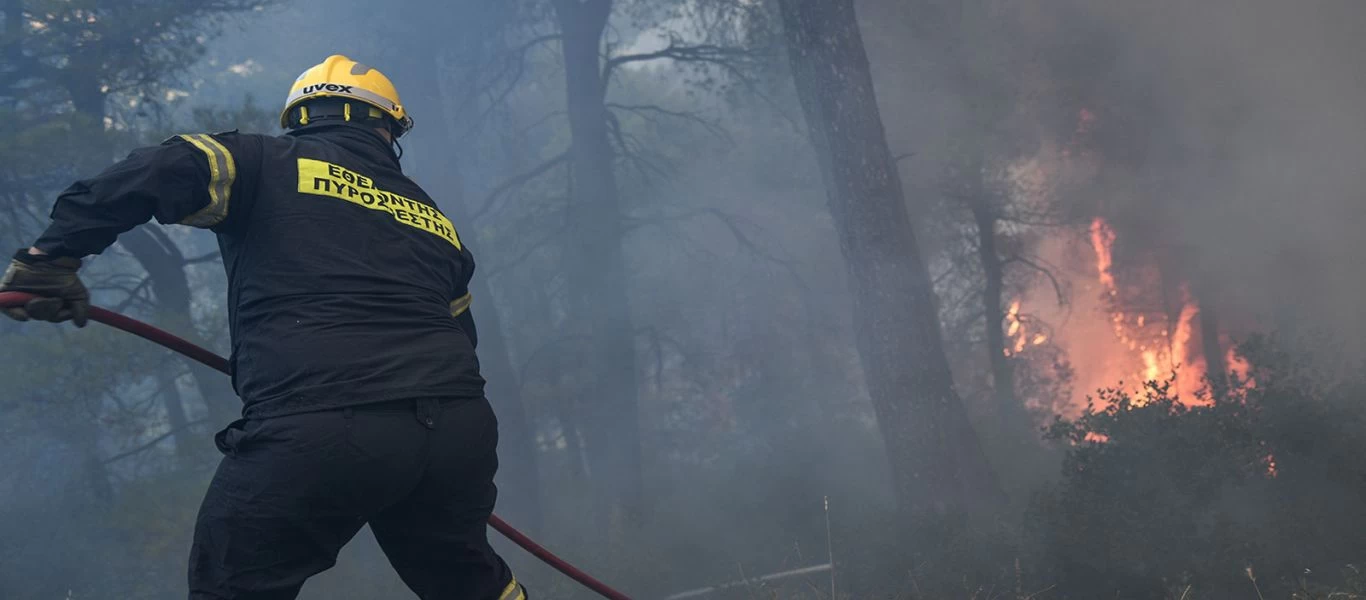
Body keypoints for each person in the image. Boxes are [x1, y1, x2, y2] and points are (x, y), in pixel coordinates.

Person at [0, 55, 526, 600]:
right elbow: (462, 337)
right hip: (456, 428)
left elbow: (157, 170)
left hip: (326, 419)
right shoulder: (430, 216)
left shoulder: (261, 159)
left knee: (233, 580)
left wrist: (51, 259)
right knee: (468, 581)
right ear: (386, 127)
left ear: (300, 118)